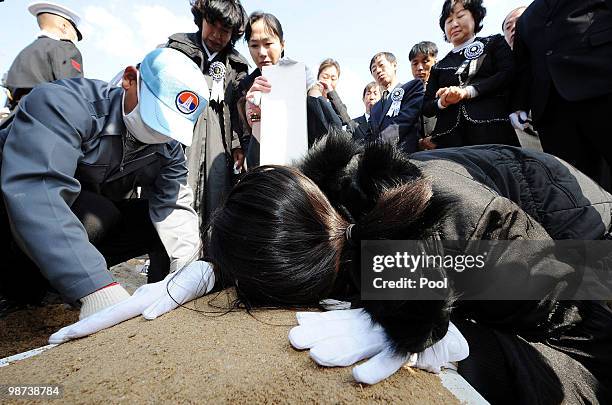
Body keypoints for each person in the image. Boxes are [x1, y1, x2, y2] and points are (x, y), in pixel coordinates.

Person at [53, 131, 612, 404]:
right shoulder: (314, 208)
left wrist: (442, 330)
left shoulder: (455, 224)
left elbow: (592, 316)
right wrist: (205, 271)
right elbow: (273, 233)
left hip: (566, 230)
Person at [0, 48, 207, 319]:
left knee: (149, 221)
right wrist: (97, 287)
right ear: (130, 80)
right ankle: (26, 286)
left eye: (168, 127)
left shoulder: (168, 149)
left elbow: (174, 207)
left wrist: (189, 272)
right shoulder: (61, 104)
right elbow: (37, 192)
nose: (158, 134)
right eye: (153, 115)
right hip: (14, 218)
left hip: (79, 225)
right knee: (96, 213)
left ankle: (160, 295)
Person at [511, 0, 612, 191]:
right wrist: (519, 105)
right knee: (573, 185)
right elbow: (523, 68)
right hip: (552, 110)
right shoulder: (526, 19)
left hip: (601, 86)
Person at [165, 0, 250, 223]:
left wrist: (237, 145)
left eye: (225, 30)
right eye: (212, 24)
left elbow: (237, 109)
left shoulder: (237, 65)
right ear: (201, 18)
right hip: (180, 142)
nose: (217, 35)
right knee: (175, 202)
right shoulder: (176, 49)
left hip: (219, 146)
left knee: (218, 207)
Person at [238, 11, 341, 167]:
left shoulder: (301, 75)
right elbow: (249, 145)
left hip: (304, 167)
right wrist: (253, 113)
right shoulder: (247, 85)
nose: (262, 53)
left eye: (268, 44)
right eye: (254, 45)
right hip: (267, 171)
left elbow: (332, 130)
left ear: (282, 44)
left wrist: (313, 94)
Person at [422, 0, 519, 149]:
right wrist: (443, 101)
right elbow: (427, 107)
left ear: (475, 17)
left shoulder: (493, 43)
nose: (454, 24)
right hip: (449, 139)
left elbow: (507, 74)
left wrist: (468, 92)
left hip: (492, 130)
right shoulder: (438, 66)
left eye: (460, 16)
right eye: (448, 21)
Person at [4, 2, 83, 110]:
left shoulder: (23, 54)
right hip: (48, 119)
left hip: (16, 121)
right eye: (75, 33)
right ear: (64, 27)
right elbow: (72, 93)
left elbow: (9, 102)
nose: (74, 39)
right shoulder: (65, 48)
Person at [368, 52, 424, 153]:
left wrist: (378, 145)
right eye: (374, 70)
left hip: (405, 156)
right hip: (379, 161)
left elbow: (405, 120)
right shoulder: (374, 108)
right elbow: (370, 135)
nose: (378, 71)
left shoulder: (412, 87)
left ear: (394, 65)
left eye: (381, 65)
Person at [408, 41, 439, 149]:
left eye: (425, 61)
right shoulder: (406, 95)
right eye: (415, 63)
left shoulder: (447, 88)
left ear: (435, 62)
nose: (420, 68)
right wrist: (418, 142)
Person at [317, 58, 355, 131]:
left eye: (333, 79)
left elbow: (347, 122)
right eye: (325, 77)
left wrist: (331, 92)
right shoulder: (311, 99)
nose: (328, 82)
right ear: (318, 77)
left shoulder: (338, 105)